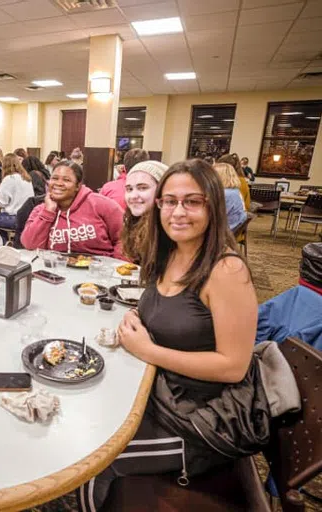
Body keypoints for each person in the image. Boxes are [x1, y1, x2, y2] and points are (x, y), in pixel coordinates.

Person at [78, 159, 260, 510]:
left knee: (93, 463)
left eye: (192, 201)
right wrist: (140, 317)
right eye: (169, 201)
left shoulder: (226, 270)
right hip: (158, 394)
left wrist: (148, 349)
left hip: (199, 421)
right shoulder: (172, 253)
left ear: (213, 206)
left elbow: (234, 366)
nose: (178, 211)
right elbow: (173, 318)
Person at [21, 161, 124, 258]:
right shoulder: (40, 210)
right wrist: (48, 212)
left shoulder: (101, 204)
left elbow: (124, 238)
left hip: (99, 271)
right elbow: (29, 245)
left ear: (77, 186)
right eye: (55, 178)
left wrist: (117, 266)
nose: (59, 183)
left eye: (66, 180)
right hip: (56, 271)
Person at [121, 160, 168, 264]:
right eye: (129, 189)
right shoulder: (132, 222)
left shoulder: (170, 229)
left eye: (142, 188)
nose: (133, 196)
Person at [0, 153, 34, 242]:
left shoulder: (9, 178)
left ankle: (1, 245)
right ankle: (5, 243)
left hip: (14, 217)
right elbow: (16, 192)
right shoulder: (25, 177)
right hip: (25, 217)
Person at [213, 162, 247, 232]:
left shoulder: (226, 194)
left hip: (222, 231)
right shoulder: (234, 191)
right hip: (231, 228)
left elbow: (214, 217)